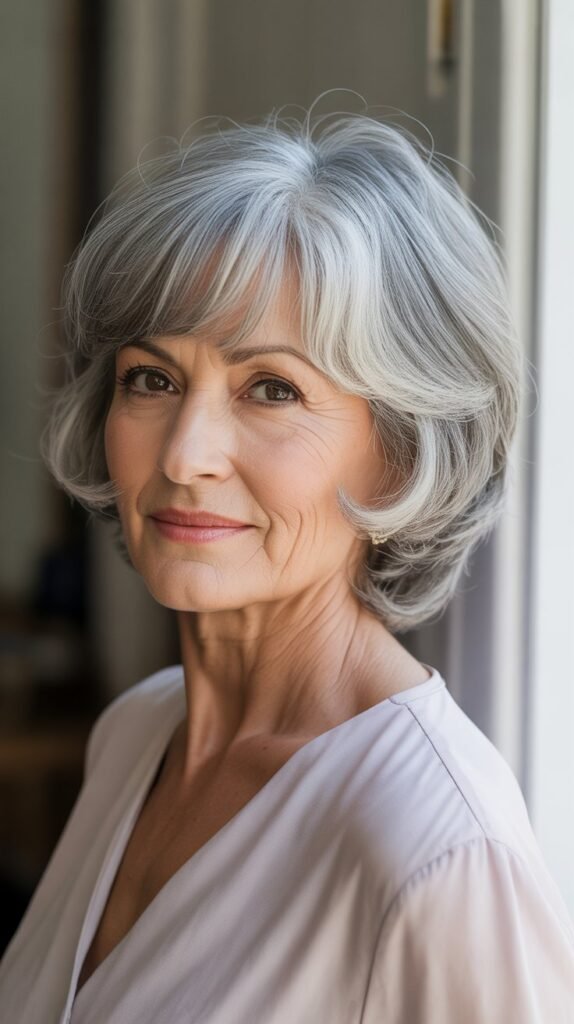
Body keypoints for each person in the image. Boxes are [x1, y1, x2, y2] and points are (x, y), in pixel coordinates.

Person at [1, 104, 573, 1024]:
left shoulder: (442, 853)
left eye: (273, 389)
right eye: (152, 378)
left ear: (402, 453)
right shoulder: (135, 735)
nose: (186, 454)